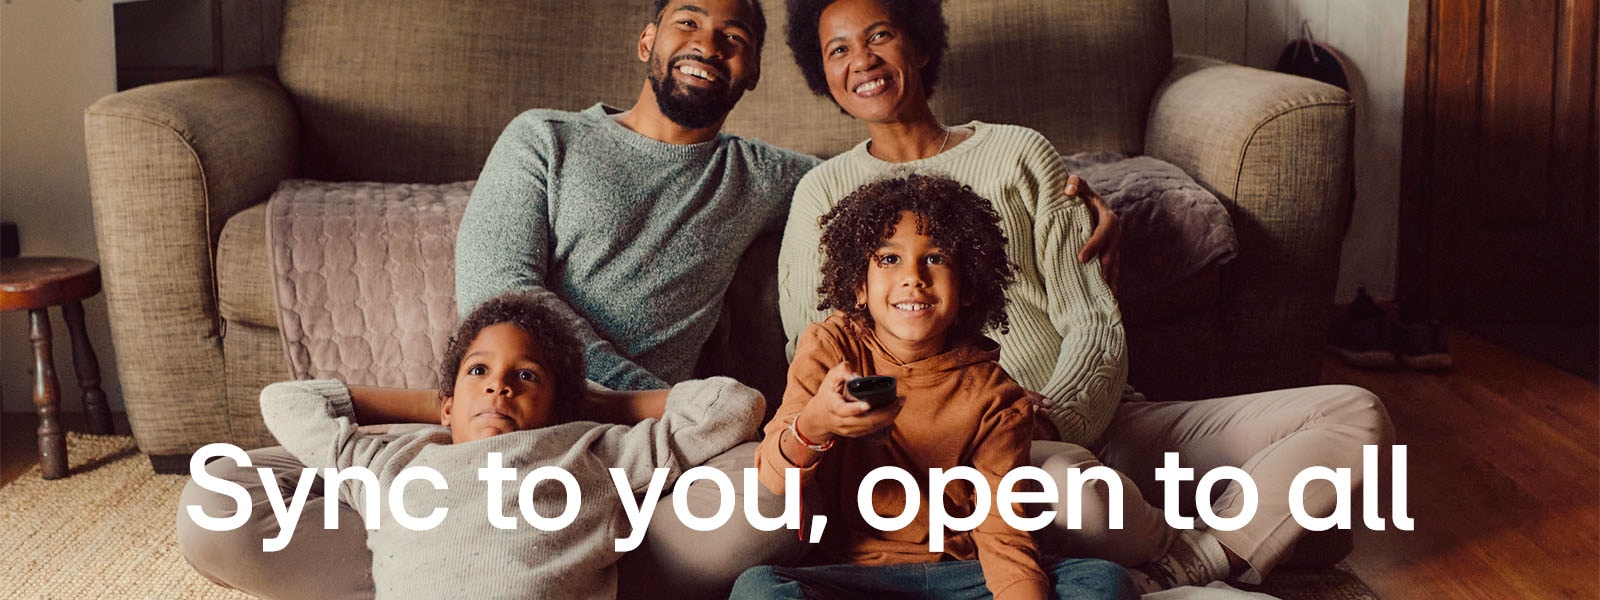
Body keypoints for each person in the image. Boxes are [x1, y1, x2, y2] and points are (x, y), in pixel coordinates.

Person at [177, 1, 1117, 596]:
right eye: (688, 23)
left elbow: (899, 198)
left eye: (734, 38)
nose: (709, 45)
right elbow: (498, 291)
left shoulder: (774, 176)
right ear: (648, 40)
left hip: (636, 466)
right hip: (490, 425)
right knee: (216, 512)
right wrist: (522, 405)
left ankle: (510, 563)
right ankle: (464, 560)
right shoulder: (544, 138)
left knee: (771, 501)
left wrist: (1071, 204)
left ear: (751, 72)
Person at [775, 0, 1394, 591]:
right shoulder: (822, 194)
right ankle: (1207, 541)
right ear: (820, 69)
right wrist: (986, 429)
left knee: (1354, 414)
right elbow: (822, 356)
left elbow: (1093, 319)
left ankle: (1195, 563)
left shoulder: (1020, 152)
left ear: (918, 42)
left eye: (879, 35)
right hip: (986, 458)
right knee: (1080, 494)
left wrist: (1051, 418)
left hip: (1100, 419)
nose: (862, 59)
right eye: (838, 49)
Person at [736, 174, 1137, 600]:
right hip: (852, 575)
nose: (913, 276)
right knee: (758, 588)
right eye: (890, 258)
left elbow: (1004, 538)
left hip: (962, 574)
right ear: (859, 286)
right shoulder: (830, 346)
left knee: (1104, 581)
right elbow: (775, 477)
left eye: (936, 258)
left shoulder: (997, 398)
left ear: (967, 288)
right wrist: (815, 424)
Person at [259, 291, 763, 599]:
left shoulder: (591, 451)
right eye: (478, 370)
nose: (498, 386)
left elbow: (733, 405)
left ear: (561, 408)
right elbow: (286, 401)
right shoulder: (391, 461)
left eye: (526, 376)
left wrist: (598, 405)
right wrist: (442, 405)